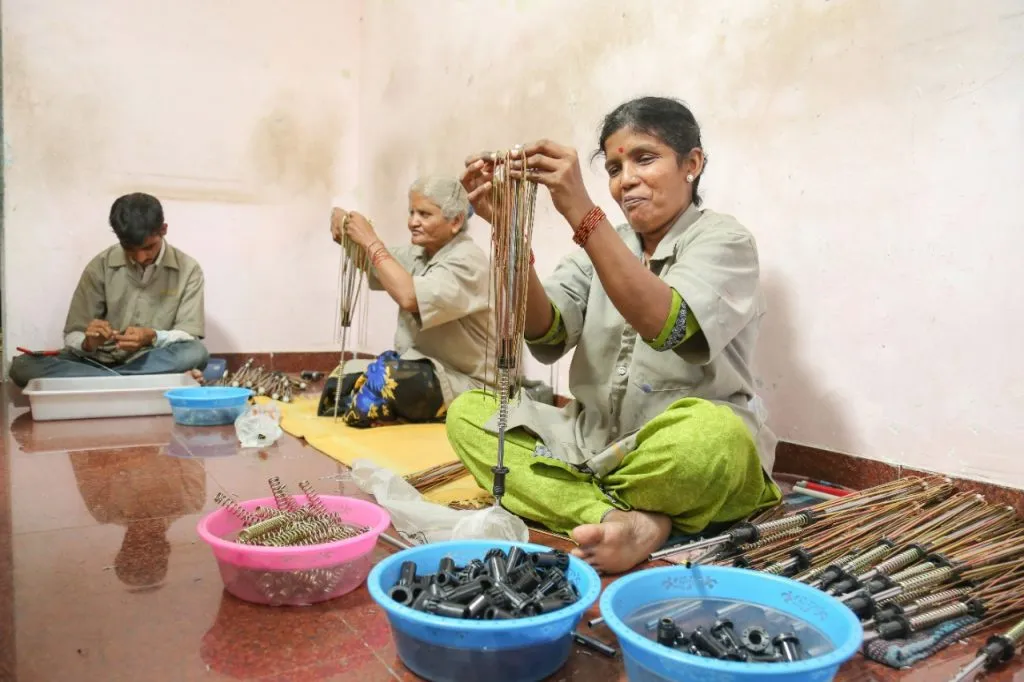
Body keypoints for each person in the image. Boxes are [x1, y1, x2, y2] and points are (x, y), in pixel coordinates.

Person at [447, 96, 783, 574]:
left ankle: (590, 505)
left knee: (716, 439)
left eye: (644, 158)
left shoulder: (724, 241)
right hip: (592, 443)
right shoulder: (602, 247)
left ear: (692, 163)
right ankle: (626, 521)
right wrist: (509, 231)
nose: (625, 180)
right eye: (614, 166)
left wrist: (581, 213)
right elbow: (547, 334)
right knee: (470, 414)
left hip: (669, 450)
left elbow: (670, 328)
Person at [318, 176, 495, 427]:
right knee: (337, 386)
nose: (413, 222)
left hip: (464, 383)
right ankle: (399, 411)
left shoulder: (468, 261)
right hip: (421, 367)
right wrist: (344, 224)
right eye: (412, 212)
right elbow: (374, 262)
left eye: (424, 214)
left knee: (382, 385)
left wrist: (371, 240)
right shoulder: (420, 253)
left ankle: (401, 412)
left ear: (455, 221)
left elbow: (409, 297)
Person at [9, 193, 209, 387]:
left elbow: (188, 336)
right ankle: (133, 383)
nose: (140, 258)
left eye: (148, 247)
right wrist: (89, 342)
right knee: (22, 366)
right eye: (129, 248)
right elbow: (73, 334)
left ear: (163, 230)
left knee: (195, 353)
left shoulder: (188, 270)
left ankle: (105, 383)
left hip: (149, 360)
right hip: (96, 361)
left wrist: (152, 337)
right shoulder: (100, 266)